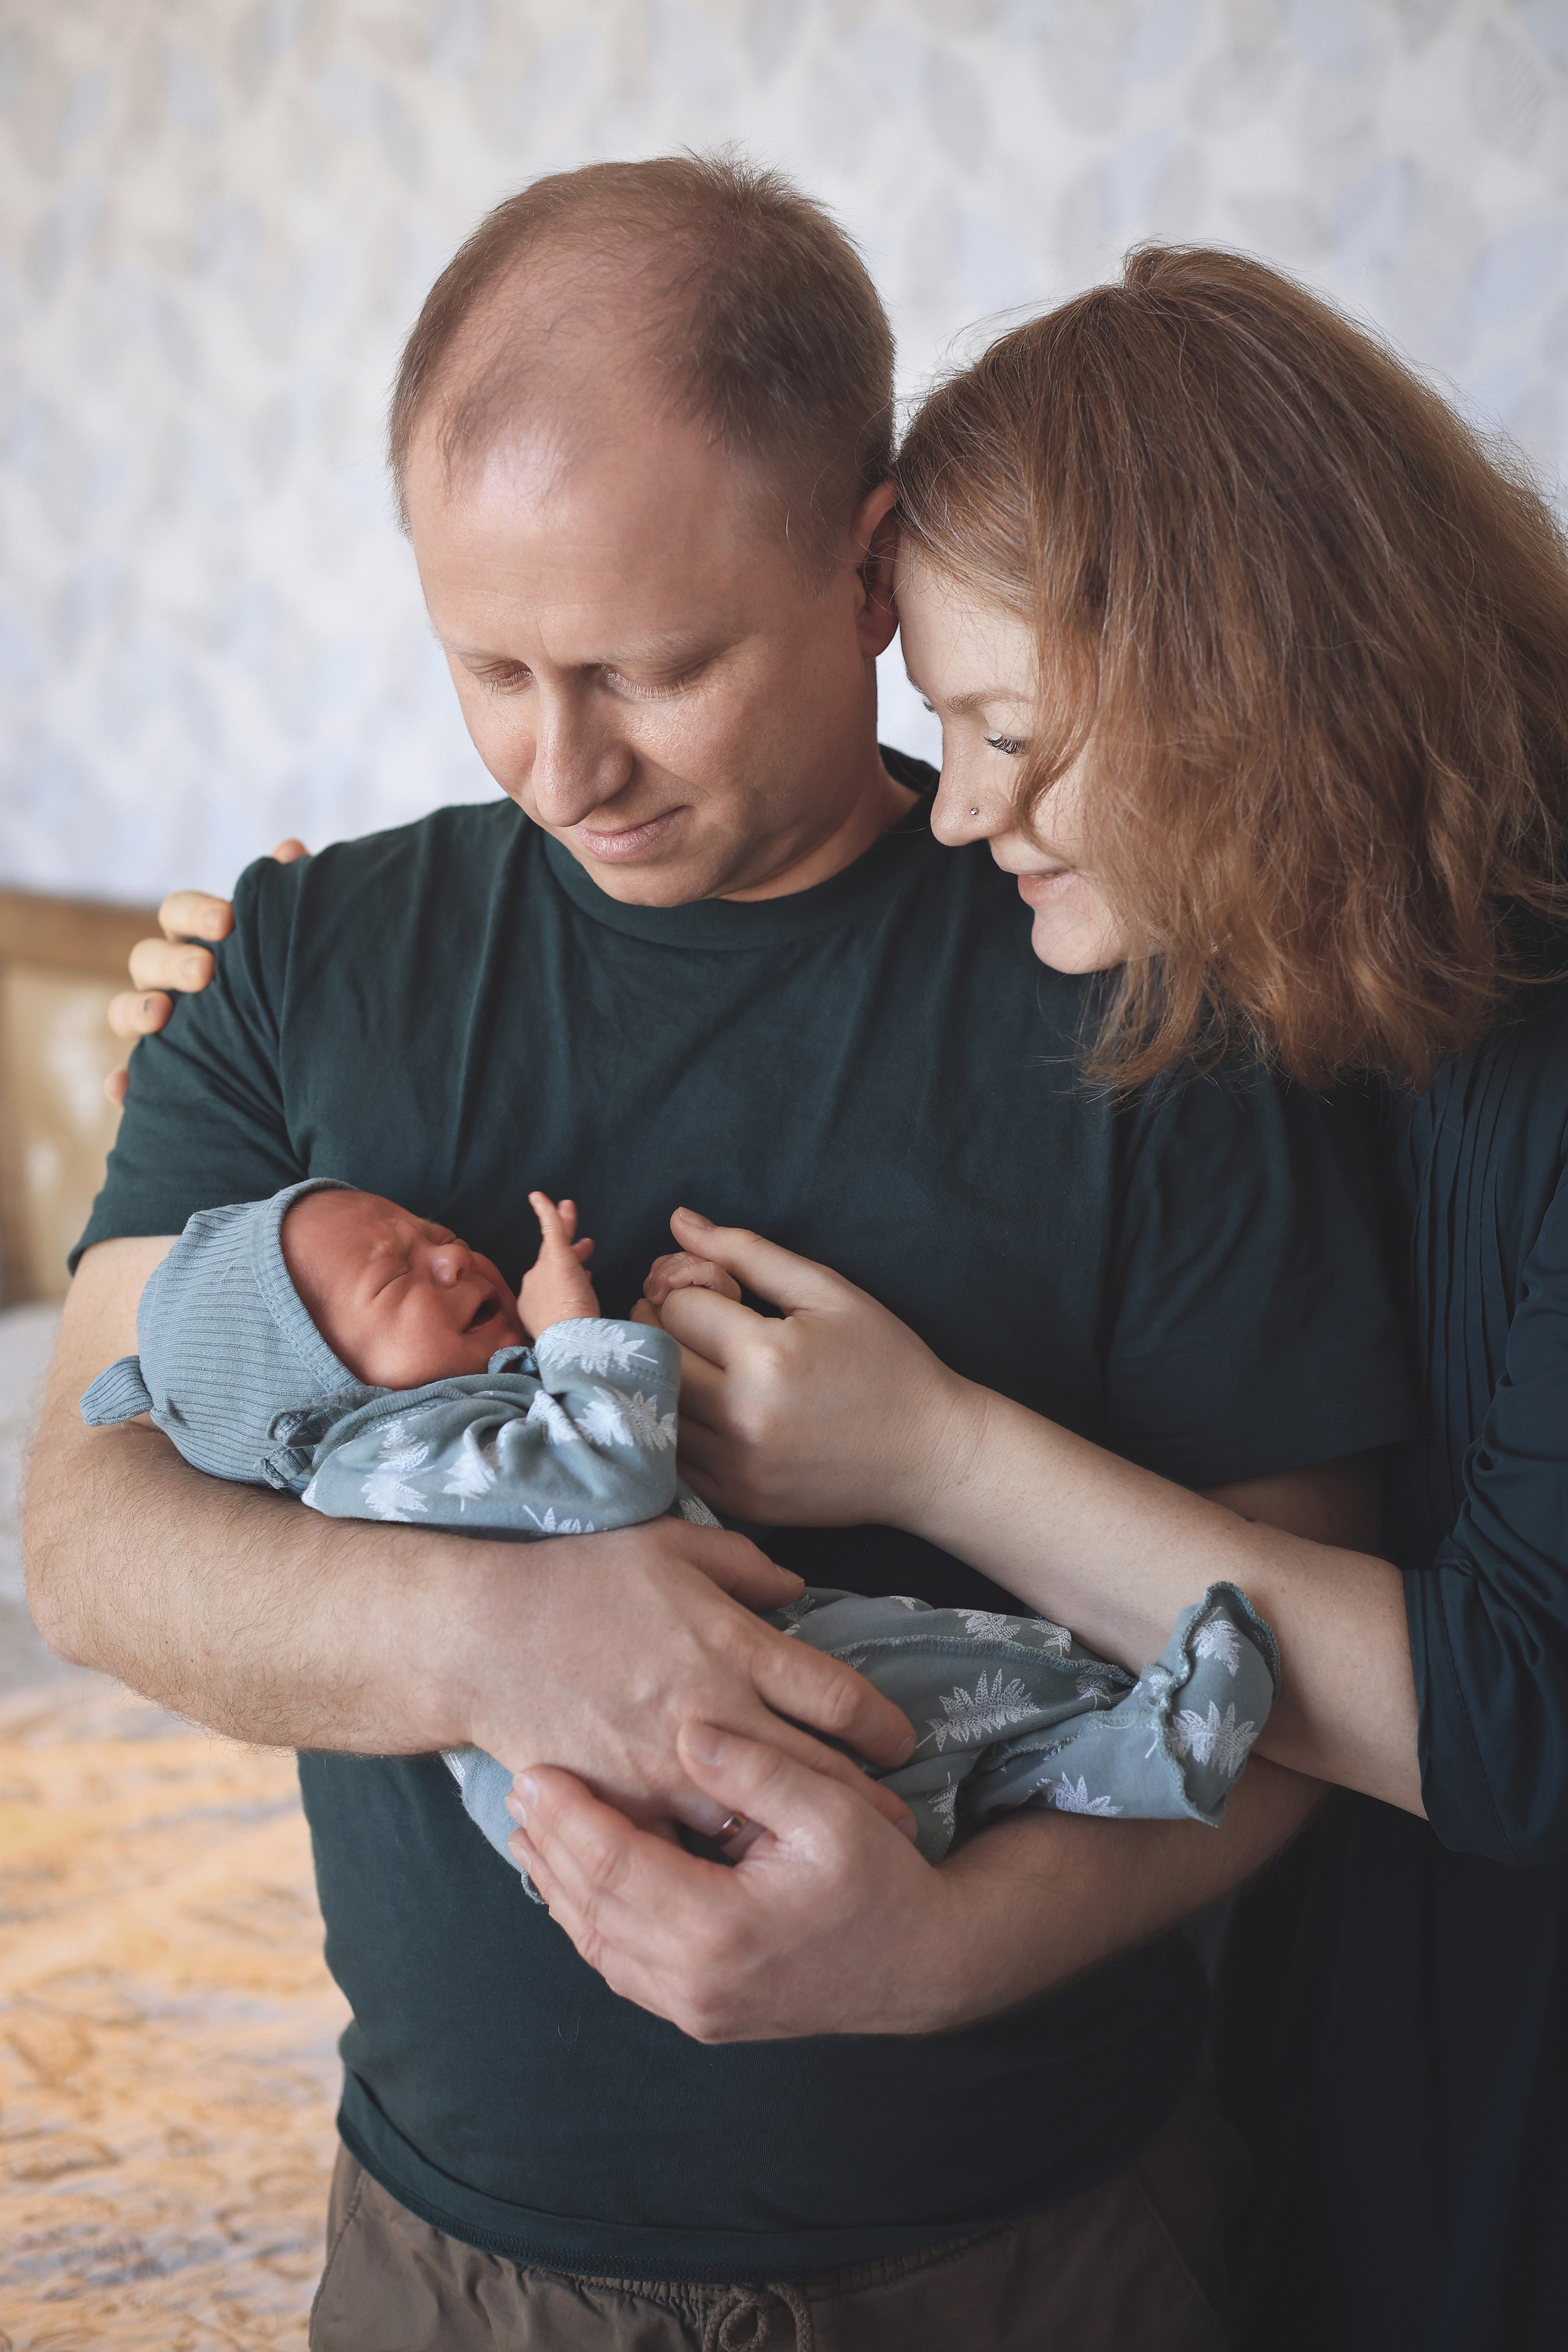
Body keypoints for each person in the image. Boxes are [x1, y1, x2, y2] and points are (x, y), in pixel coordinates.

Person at [28, 163, 1411, 2351]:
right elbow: (90, 1528)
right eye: (486, 666)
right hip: (446, 2253)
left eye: (650, 672)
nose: (561, 764)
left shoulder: (1127, 957)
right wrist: (516, 1643)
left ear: (870, 568)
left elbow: (1304, 1671)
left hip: (1040, 2250)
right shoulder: (302, 958)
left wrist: (935, 1953)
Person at [488, 249, 1568, 2350]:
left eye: (1009, 733)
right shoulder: (1319, 983)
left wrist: (938, 1452)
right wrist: (235, 978)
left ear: (1247, 680)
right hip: (1303, 1988)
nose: (963, 807)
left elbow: (1520, 1722)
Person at [80, 1176, 1280, 1869]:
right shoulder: (373, 1466)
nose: (447, 1258)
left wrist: (644, 1329)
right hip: (681, 1741)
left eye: (425, 1233)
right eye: (397, 1281)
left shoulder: (436, 1425)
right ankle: (1131, 1720)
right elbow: (605, 1478)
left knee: (951, 1736)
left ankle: (1132, 1757)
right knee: (949, 1670)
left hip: (718, 1706)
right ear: (314, 1403)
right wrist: (576, 1330)